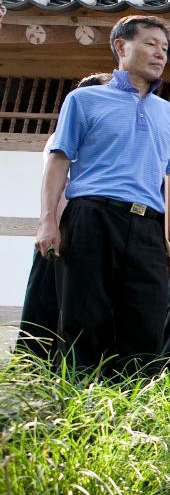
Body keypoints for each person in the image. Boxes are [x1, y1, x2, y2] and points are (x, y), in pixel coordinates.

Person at [36, 15, 170, 375]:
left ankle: (129, 417)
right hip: (90, 216)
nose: (159, 54)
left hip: (146, 227)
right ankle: (79, 412)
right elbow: (58, 162)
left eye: (165, 49)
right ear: (121, 47)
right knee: (83, 321)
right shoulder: (84, 100)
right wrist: (48, 222)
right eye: (151, 44)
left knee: (146, 323)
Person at [15, 72, 111, 362]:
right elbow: (60, 185)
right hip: (65, 232)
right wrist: (54, 228)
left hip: (89, 233)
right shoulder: (64, 136)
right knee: (51, 310)